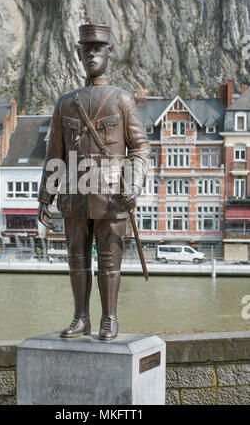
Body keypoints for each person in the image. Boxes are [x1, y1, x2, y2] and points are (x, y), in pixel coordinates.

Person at [38, 24, 150, 340]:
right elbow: (54, 154)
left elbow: (140, 147)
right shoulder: (65, 103)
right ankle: (81, 317)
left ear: (108, 53)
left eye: (97, 49)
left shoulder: (122, 100)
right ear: (79, 53)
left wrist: (134, 183)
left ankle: (109, 318)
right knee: (76, 259)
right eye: (86, 49)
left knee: (109, 260)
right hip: (74, 194)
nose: (91, 55)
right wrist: (44, 197)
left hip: (112, 195)